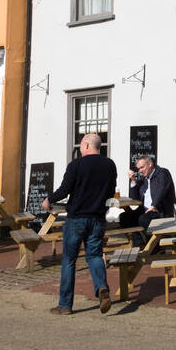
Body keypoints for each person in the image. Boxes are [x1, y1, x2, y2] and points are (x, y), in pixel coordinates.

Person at [43, 133, 118, 315]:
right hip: (98, 217)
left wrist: (48, 200)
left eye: (80, 145)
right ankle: (102, 287)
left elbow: (65, 189)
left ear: (85, 145)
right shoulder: (109, 165)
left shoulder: (76, 165)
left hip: (77, 217)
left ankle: (65, 304)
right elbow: (110, 191)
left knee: (69, 260)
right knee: (94, 255)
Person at [120, 154, 176, 247]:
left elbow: (161, 190)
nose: (140, 171)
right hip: (145, 210)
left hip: (160, 211)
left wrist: (154, 205)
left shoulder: (162, 173)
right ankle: (139, 243)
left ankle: (154, 246)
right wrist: (133, 180)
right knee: (124, 218)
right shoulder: (144, 179)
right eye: (138, 169)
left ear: (150, 164)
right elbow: (134, 198)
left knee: (143, 220)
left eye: (142, 167)